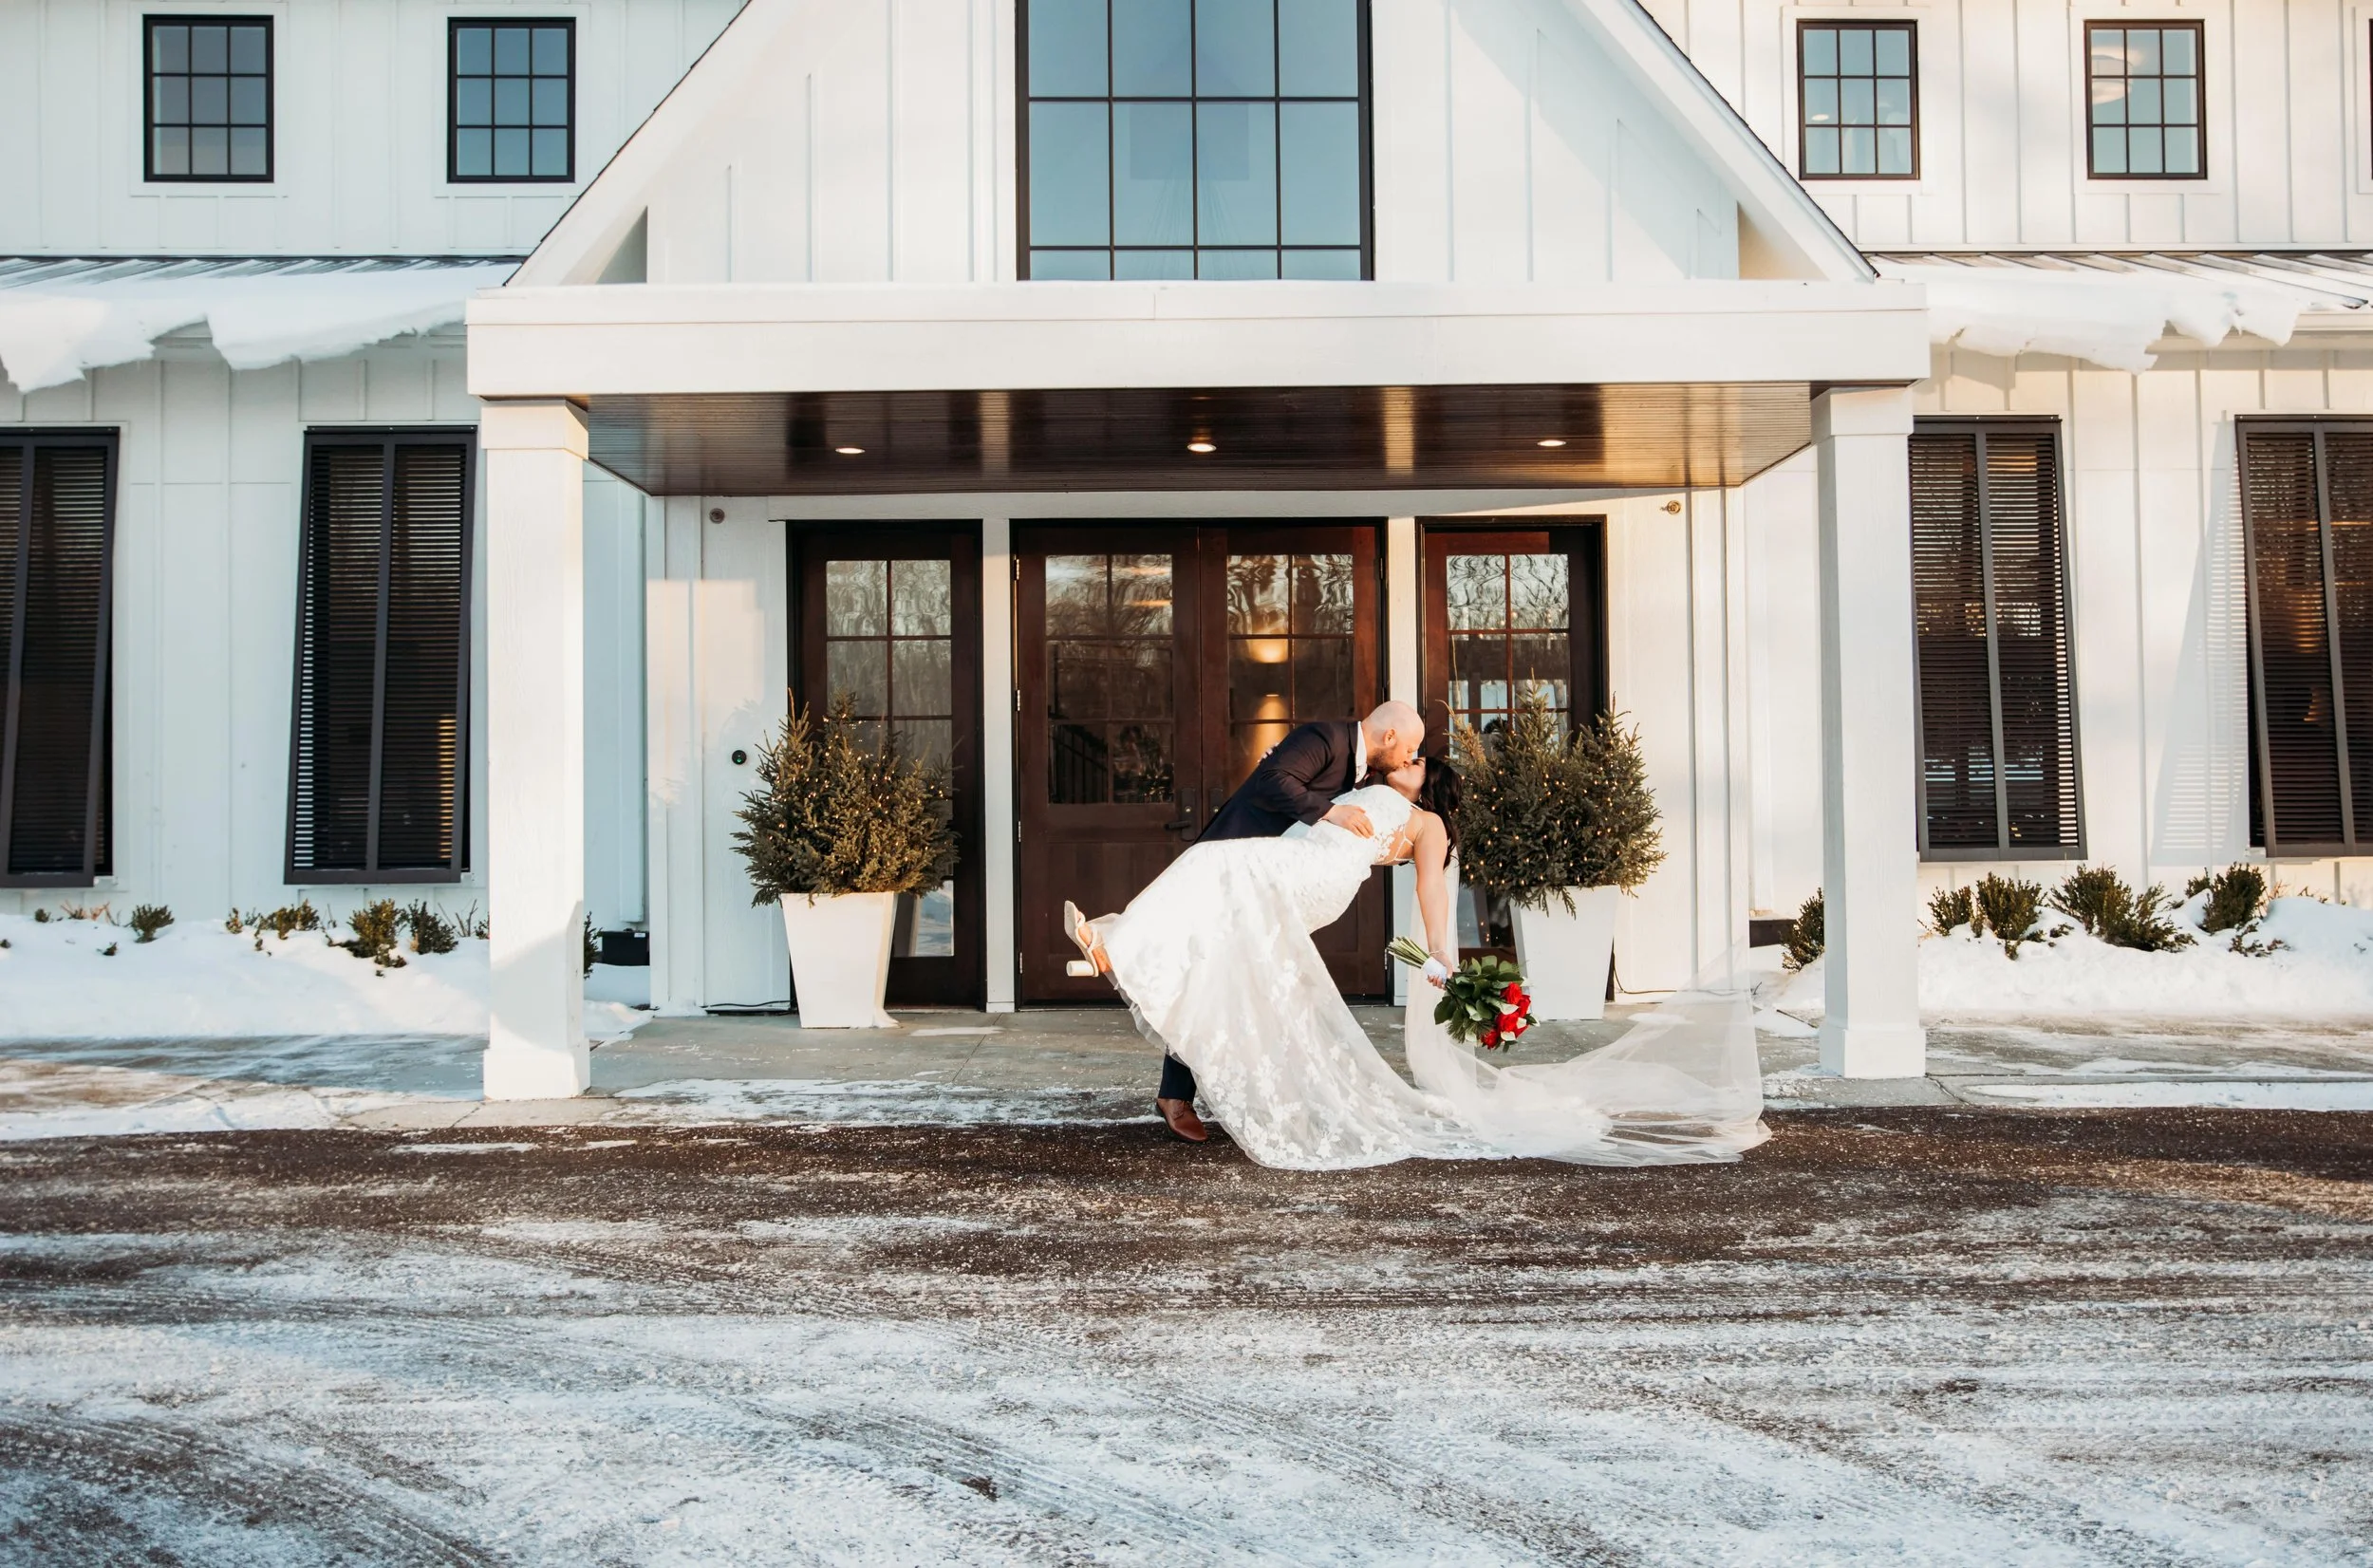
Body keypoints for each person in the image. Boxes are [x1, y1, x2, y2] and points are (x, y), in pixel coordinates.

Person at [1065, 757, 1769, 1172]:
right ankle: (1128, 958)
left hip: (1315, 878)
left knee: (1206, 862)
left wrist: (1442, 959)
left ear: (1428, 781)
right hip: (1293, 861)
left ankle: (1115, 941)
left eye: (1418, 761)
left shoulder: (1425, 824)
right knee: (1213, 921)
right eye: (1408, 754)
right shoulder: (1359, 788)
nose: (1407, 760)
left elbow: (1433, 889)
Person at [1137, 700, 1424, 1143]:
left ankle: (1200, 1093)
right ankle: (1174, 1092)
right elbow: (1271, 780)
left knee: (1231, 982)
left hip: (1273, 883)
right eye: (1409, 747)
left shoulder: (1364, 770)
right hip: (1236, 863)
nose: (1409, 757)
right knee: (1208, 974)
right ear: (1389, 737)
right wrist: (1332, 812)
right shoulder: (1325, 738)